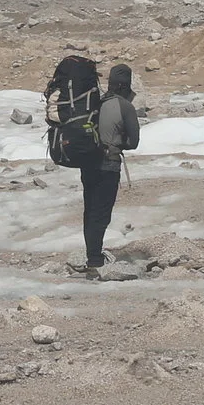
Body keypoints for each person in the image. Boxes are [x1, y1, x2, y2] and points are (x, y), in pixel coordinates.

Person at [76, 62, 140, 271]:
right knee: (101, 213)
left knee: (90, 210)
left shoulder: (96, 102)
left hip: (88, 165)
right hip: (109, 165)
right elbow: (134, 142)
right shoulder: (125, 106)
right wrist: (118, 142)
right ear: (125, 85)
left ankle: (92, 255)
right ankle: (95, 260)